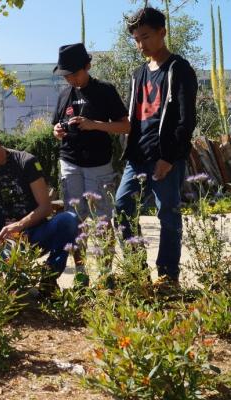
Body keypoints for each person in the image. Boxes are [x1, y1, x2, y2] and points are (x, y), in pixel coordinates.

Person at [114, 7, 197, 289]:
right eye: (136, 39)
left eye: (145, 37)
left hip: (165, 158)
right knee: (122, 207)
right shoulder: (138, 73)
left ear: (162, 32)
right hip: (137, 158)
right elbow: (134, 116)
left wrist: (169, 157)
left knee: (168, 215)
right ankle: (137, 272)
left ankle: (168, 276)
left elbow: (187, 120)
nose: (141, 45)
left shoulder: (179, 69)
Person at [0, 123, 78, 293]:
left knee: (69, 219)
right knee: (9, 291)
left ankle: (49, 276)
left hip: (37, 233)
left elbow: (45, 207)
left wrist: (19, 225)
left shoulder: (26, 162)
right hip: (7, 241)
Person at [50, 43, 130, 274]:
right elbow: (55, 127)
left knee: (103, 221)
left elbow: (125, 126)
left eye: (74, 73)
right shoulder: (64, 94)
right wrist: (58, 131)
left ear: (88, 66)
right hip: (70, 163)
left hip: (99, 165)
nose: (70, 79)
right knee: (75, 222)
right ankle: (82, 274)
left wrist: (93, 125)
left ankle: (106, 274)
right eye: (66, 75)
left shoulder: (105, 90)